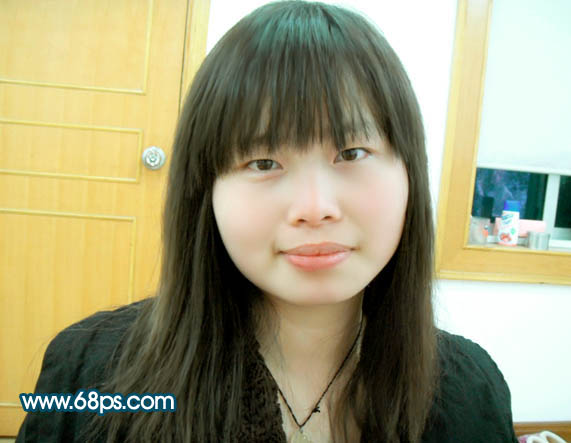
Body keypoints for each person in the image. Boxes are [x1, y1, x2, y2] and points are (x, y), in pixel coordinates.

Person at [16, 1, 518, 442]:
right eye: (263, 162)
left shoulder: (470, 390)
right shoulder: (91, 373)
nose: (315, 207)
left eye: (352, 152)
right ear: (206, 190)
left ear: (410, 173)